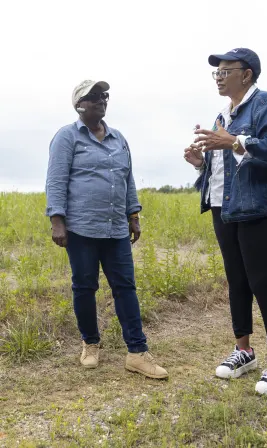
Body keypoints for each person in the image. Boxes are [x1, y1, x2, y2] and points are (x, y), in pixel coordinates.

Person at [184, 48, 267, 394]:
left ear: (246, 74)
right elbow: (227, 167)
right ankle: (244, 351)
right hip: (227, 208)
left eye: (225, 71)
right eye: (216, 73)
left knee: (264, 282)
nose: (219, 77)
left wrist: (233, 140)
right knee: (236, 281)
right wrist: (200, 163)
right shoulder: (224, 113)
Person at [46, 80, 168, 379]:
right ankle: (90, 343)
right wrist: (57, 221)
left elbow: (127, 179)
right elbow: (56, 180)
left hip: (115, 229)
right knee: (85, 287)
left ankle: (137, 353)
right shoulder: (66, 137)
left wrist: (134, 215)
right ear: (79, 105)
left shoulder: (118, 138)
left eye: (104, 96)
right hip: (82, 228)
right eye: (94, 97)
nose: (101, 100)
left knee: (126, 287)